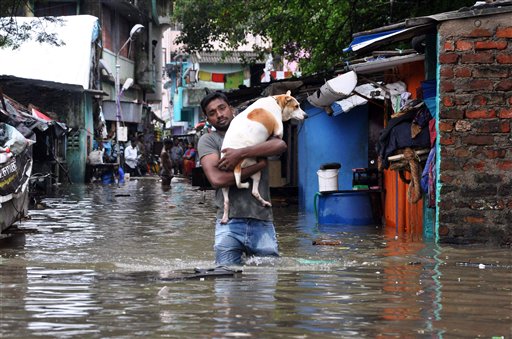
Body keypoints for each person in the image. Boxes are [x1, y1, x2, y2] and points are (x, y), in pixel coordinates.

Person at [197, 91, 287, 265]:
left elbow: (280, 144)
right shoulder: (209, 140)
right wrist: (258, 166)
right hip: (228, 224)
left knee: (265, 286)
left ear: (232, 109)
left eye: (222, 108)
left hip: (262, 220)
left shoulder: (255, 130)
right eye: (212, 113)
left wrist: (240, 153)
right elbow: (217, 180)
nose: (219, 115)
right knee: (225, 284)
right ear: (208, 119)